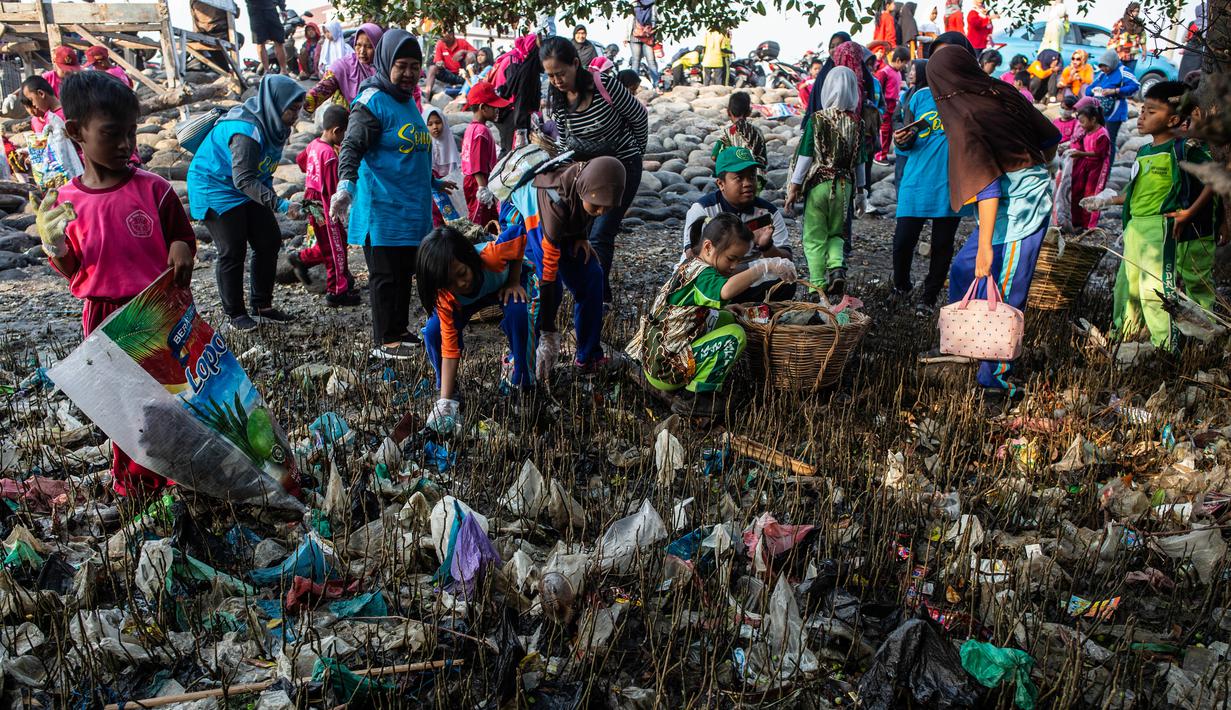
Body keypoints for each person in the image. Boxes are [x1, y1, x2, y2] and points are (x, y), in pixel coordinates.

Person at [38, 71, 195, 497]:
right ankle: (134, 482)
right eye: (112, 134)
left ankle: (179, 473)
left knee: (171, 394)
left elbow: (182, 234)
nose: (127, 144)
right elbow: (73, 269)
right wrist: (54, 245)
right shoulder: (66, 204)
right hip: (104, 314)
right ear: (76, 133)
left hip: (157, 308)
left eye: (131, 132)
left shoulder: (154, 189)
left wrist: (181, 248)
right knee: (123, 403)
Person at [923, 45, 1061, 404]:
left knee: (1006, 288)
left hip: (1021, 205)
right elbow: (1051, 138)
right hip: (1008, 198)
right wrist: (1033, 160)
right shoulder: (1001, 91)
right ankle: (967, 343)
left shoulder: (965, 112)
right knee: (963, 267)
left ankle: (996, 380)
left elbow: (987, 185)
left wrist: (985, 246)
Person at [330, 31, 451, 360]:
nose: (409, 73)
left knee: (404, 274)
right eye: (402, 66)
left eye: (415, 66)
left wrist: (434, 182)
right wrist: (345, 186)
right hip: (382, 208)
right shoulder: (371, 102)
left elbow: (409, 149)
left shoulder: (408, 101)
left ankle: (399, 330)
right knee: (385, 276)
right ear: (386, 64)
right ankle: (385, 339)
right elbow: (353, 146)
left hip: (411, 207)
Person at [1082, 82, 1215, 349]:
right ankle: (1124, 337)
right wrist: (1107, 200)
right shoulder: (1144, 152)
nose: (1142, 116)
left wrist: (1189, 212)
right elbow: (1134, 191)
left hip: (1160, 227)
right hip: (1135, 228)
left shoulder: (1181, 151)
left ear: (1174, 119)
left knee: (1155, 290)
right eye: (1142, 110)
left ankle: (1167, 346)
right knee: (1125, 286)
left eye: (1152, 111)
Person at [636, 215, 795, 417]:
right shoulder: (703, 274)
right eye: (731, 258)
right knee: (734, 336)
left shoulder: (692, 265)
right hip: (665, 370)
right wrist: (764, 267)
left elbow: (689, 309)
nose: (733, 266)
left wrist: (724, 310)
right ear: (708, 247)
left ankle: (697, 379)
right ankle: (697, 397)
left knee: (727, 319)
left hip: (658, 356)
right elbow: (726, 291)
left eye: (739, 260)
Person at [188, 74, 304, 331]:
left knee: (269, 240)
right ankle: (235, 314)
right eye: (292, 109)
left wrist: (269, 198)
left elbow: (263, 171)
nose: (296, 115)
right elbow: (244, 179)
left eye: (298, 109)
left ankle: (262, 305)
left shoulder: (276, 127)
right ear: (274, 103)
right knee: (233, 248)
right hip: (215, 184)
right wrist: (281, 205)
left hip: (244, 185)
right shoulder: (246, 131)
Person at [540, 36, 648, 304]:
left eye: (561, 73)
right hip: (588, 175)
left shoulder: (605, 85)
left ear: (576, 64)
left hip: (623, 168)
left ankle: (598, 299)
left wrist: (636, 155)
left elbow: (638, 116)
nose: (557, 81)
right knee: (583, 233)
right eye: (551, 76)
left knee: (601, 233)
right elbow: (564, 142)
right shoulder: (560, 100)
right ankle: (595, 291)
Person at [502, 157, 626, 376]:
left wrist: (581, 236)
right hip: (529, 223)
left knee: (592, 275)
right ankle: (520, 358)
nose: (599, 212)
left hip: (562, 226)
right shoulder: (553, 203)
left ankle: (588, 357)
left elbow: (581, 209)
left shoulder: (584, 183)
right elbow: (547, 276)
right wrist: (549, 332)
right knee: (543, 290)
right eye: (596, 206)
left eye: (606, 209)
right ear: (583, 190)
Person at [419, 224, 539, 432]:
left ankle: (523, 382)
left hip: (504, 284)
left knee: (519, 313)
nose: (461, 283)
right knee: (432, 331)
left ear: (468, 258)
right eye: (450, 282)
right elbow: (450, 347)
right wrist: (445, 402)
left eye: (462, 273)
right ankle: (448, 392)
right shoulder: (446, 295)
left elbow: (519, 234)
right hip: (466, 303)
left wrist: (513, 280)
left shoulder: (491, 255)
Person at [891, 58, 970, 315]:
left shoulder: (965, 99)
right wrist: (902, 140)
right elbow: (905, 139)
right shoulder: (919, 97)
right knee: (903, 241)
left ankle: (929, 296)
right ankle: (901, 285)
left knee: (942, 244)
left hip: (949, 183)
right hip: (915, 181)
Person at [785, 66, 863, 296]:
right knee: (837, 233)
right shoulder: (858, 123)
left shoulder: (817, 119)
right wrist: (862, 192)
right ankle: (837, 267)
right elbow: (861, 160)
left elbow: (806, 156)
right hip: (845, 186)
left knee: (814, 236)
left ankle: (817, 284)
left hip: (819, 186)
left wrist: (794, 187)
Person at [682, 146, 793, 302]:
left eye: (752, 177)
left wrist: (766, 247)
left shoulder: (768, 212)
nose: (748, 183)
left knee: (786, 282)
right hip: (711, 280)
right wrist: (756, 267)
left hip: (747, 280)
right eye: (739, 178)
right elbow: (692, 258)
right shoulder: (703, 210)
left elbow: (786, 259)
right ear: (721, 184)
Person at [286, 105, 356, 306]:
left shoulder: (314, 145)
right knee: (335, 246)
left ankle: (301, 258)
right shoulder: (330, 157)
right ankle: (336, 292)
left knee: (331, 242)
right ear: (336, 131)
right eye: (344, 134)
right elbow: (333, 189)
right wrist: (337, 211)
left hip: (311, 199)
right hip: (325, 205)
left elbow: (301, 161)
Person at [304, 23, 383, 112]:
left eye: (369, 46)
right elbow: (324, 87)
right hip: (352, 119)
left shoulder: (386, 68)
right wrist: (303, 101)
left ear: (378, 47)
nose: (362, 51)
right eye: (358, 45)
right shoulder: (343, 66)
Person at [461, 80, 507, 231]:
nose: (497, 110)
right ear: (483, 107)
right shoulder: (481, 132)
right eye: (494, 107)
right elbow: (477, 163)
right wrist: (482, 188)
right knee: (480, 224)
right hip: (478, 182)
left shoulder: (471, 128)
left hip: (471, 180)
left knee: (487, 221)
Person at [1066, 102, 1111, 230]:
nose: (1081, 125)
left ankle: (1089, 225)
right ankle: (1077, 221)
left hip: (1098, 167)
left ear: (1093, 119)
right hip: (1085, 163)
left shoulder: (1102, 134)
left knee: (1092, 193)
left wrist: (1081, 153)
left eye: (1083, 122)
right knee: (1077, 190)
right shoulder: (1086, 132)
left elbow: (1099, 154)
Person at [1085, 48, 1139, 149]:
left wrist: (1115, 91)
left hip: (1115, 111)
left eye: (1106, 66)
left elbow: (1135, 86)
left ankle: (1108, 164)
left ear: (1112, 63)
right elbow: (1088, 89)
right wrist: (1093, 91)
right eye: (1101, 66)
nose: (1104, 69)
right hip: (1100, 111)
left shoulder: (1123, 71)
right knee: (1098, 138)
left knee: (1109, 140)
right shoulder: (1102, 75)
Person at [713, 92, 768, 186]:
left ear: (728, 112)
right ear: (749, 112)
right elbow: (763, 158)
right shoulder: (758, 131)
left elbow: (714, 157)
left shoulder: (727, 133)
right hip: (757, 178)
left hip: (735, 181)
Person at [423, 106, 462, 226]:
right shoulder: (424, 146)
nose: (435, 127)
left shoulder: (449, 143)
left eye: (438, 122)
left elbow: (455, 170)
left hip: (449, 191)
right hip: (431, 194)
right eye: (430, 124)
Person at [874, 46, 910, 164]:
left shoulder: (897, 73)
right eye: (904, 63)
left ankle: (884, 154)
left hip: (893, 106)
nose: (905, 67)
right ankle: (879, 155)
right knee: (884, 132)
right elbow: (878, 91)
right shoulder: (884, 72)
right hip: (886, 106)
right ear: (898, 60)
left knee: (889, 132)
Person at [425, 27, 477, 98]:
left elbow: (477, 52)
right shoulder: (440, 44)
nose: (441, 36)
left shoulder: (462, 42)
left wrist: (463, 51)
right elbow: (437, 61)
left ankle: (469, 85)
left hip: (462, 75)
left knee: (470, 55)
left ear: (451, 35)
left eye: (443, 34)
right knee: (432, 68)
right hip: (448, 74)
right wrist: (439, 64)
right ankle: (427, 95)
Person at [245, 0, 288, 75]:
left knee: (279, 41)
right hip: (255, 11)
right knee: (260, 42)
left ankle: (284, 70)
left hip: (271, 9)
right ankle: (267, 71)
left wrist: (283, 8)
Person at [628, 0, 660, 86]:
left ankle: (633, 86)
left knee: (636, 61)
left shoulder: (634, 4)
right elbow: (656, 19)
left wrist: (626, 36)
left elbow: (629, 21)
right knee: (651, 61)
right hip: (647, 36)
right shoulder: (653, 4)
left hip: (636, 36)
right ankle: (657, 86)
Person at [1109, 2, 1145, 72]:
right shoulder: (1121, 22)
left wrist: (1144, 50)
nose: (1135, 13)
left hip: (1133, 55)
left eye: (1137, 11)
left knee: (1129, 76)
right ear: (1129, 11)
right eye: (1133, 11)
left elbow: (1143, 37)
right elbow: (1113, 38)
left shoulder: (1139, 23)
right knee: (1117, 75)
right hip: (1120, 55)